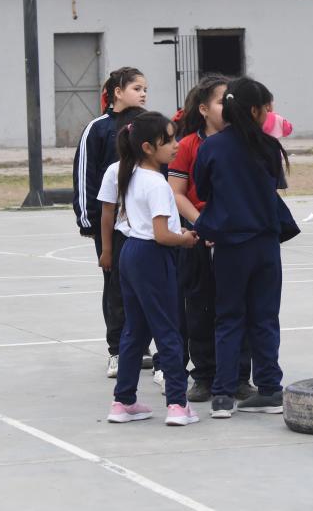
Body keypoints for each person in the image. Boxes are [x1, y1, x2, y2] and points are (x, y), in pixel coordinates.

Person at [193, 77, 299, 419]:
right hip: (266, 244)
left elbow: (204, 188)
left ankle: (223, 394)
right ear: (255, 111)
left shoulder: (212, 147)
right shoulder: (269, 147)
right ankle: (270, 389)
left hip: (230, 246)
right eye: (266, 108)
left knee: (228, 318)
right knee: (264, 318)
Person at [105, 111, 201, 426]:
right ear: (148, 147)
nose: (175, 145)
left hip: (130, 254)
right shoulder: (157, 183)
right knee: (168, 329)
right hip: (153, 255)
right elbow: (162, 234)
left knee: (136, 329)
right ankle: (177, 403)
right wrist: (185, 238)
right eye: (169, 140)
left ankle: (124, 401)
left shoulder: (128, 174)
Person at [169, 76, 255, 403]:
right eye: (222, 101)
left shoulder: (249, 142)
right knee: (200, 307)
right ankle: (204, 375)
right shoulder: (189, 145)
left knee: (239, 308)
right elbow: (177, 194)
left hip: (236, 239)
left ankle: (238, 376)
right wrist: (204, 225)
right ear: (204, 109)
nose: (230, 107)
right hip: (199, 237)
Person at [72, 67, 152, 377]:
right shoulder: (98, 128)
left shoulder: (149, 125)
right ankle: (118, 349)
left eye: (145, 88)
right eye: (136, 87)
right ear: (117, 92)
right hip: (111, 225)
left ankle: (143, 345)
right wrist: (87, 219)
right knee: (116, 285)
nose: (142, 93)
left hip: (146, 224)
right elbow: (84, 175)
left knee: (149, 286)